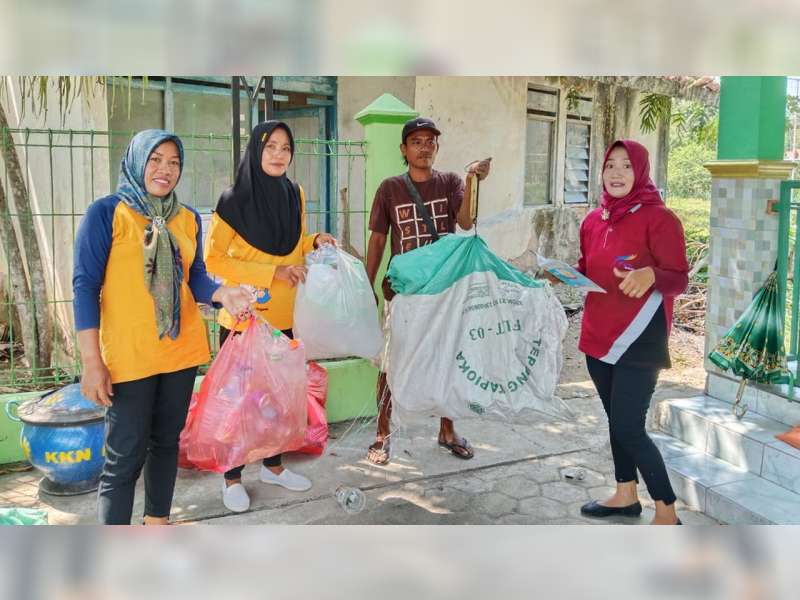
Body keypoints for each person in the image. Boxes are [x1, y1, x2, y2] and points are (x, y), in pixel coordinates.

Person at [73, 129, 252, 525]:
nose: (165, 169)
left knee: (165, 443)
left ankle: (156, 526)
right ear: (137, 160)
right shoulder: (107, 213)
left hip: (180, 350)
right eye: (155, 159)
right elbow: (85, 286)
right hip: (129, 356)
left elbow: (197, 277)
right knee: (123, 458)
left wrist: (225, 293)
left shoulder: (186, 217)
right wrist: (91, 361)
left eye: (173, 162)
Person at [205, 120, 336, 513]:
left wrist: (315, 241)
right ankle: (232, 477)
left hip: (283, 314)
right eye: (270, 147)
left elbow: (294, 245)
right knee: (240, 400)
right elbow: (214, 258)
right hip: (244, 317)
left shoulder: (294, 193)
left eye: (285, 147)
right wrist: (271, 273)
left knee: (279, 397)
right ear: (255, 150)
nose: (279, 155)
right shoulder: (232, 200)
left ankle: (273, 467)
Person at [565, 139, 688, 525]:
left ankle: (667, 512)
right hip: (597, 334)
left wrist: (651, 274)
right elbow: (588, 267)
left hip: (639, 336)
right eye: (610, 165)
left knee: (628, 426)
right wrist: (564, 272)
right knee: (615, 419)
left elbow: (679, 279)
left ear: (641, 171)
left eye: (626, 166)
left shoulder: (660, 218)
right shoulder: (593, 220)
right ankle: (625, 493)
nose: (617, 173)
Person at [365, 116, 491, 465]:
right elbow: (377, 240)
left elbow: (466, 222)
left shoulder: (450, 182)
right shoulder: (389, 188)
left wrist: (472, 181)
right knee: (391, 363)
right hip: (403, 292)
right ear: (404, 149)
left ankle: (447, 430)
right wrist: (368, 285)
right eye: (416, 141)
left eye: (430, 141)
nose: (424, 147)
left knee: (447, 359)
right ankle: (382, 432)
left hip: (442, 290)